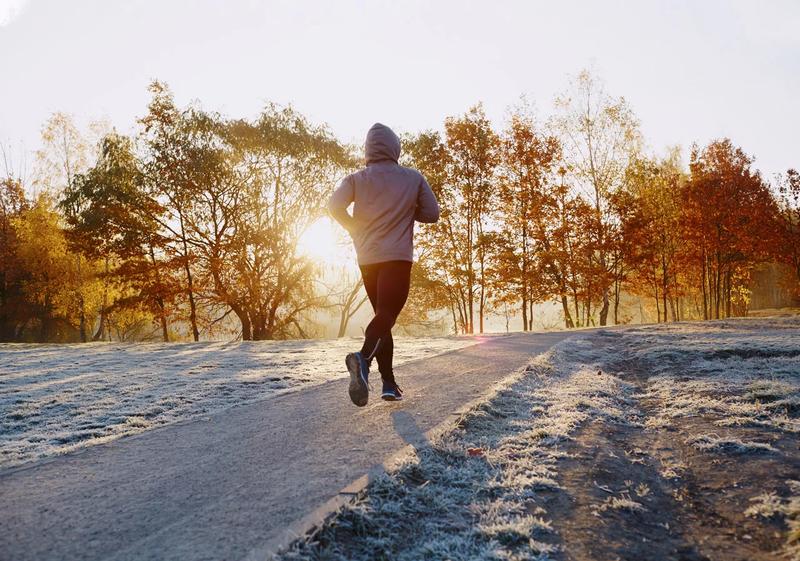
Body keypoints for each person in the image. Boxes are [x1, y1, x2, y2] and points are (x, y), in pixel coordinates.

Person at [328, 123, 440, 406]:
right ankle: (362, 360)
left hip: (367, 258)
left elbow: (333, 207)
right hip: (398, 257)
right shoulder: (412, 178)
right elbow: (432, 213)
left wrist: (355, 229)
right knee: (387, 315)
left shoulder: (356, 179)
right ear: (395, 148)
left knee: (382, 317)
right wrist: (406, 208)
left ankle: (389, 383)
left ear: (368, 149)